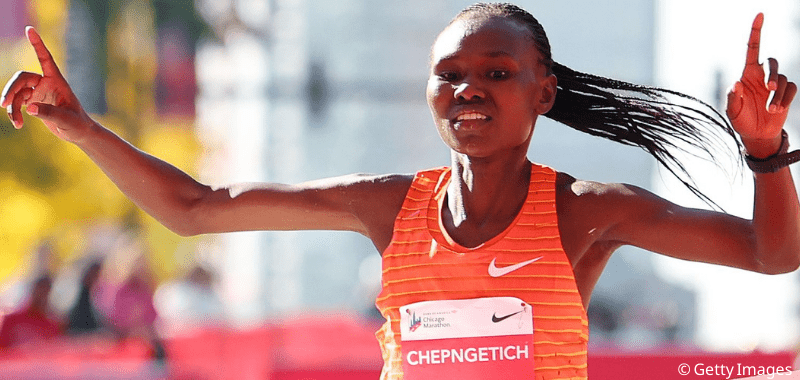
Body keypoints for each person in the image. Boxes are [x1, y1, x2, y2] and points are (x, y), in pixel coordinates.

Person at [2, 3, 798, 379]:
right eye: (449, 75)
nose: (469, 91)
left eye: (496, 74)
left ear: (544, 93)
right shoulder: (387, 203)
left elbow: (771, 255)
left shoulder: (586, 210)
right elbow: (195, 208)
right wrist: (81, 127)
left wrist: (765, 157)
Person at [0, 275, 63, 349]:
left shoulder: (52, 325)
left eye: (45, 292)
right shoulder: (12, 319)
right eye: (39, 290)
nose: (41, 296)